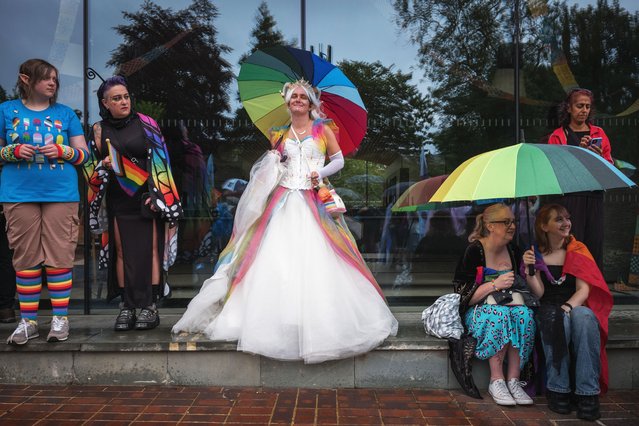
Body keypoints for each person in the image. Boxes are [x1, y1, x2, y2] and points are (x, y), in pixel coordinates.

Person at [173, 79, 398, 363]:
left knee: (319, 257)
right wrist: (273, 163)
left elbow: (339, 160)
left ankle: (317, 322)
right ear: (287, 102)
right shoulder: (278, 134)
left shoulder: (322, 129)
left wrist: (320, 171)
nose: (298, 101)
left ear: (311, 103)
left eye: (303, 97)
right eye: (294, 97)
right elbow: (275, 165)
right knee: (275, 258)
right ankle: (277, 321)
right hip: (282, 199)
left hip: (313, 198)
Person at [83, 76, 182, 331]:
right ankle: (127, 306)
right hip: (117, 199)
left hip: (146, 198)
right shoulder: (97, 129)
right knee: (122, 252)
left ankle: (149, 306)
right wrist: (102, 167)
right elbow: (89, 170)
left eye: (126, 96)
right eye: (117, 98)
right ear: (105, 103)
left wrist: (158, 196)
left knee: (150, 251)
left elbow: (161, 161)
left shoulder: (147, 124)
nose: (124, 101)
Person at [0, 58, 88, 345]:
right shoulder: (6, 110)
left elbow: (85, 155)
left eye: (55, 79)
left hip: (60, 194)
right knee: (25, 258)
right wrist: (13, 152)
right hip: (18, 193)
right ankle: (28, 323)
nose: (53, 83)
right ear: (25, 79)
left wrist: (63, 151)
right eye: (46, 78)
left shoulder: (66, 114)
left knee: (60, 256)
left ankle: (59, 319)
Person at [523, 203, 612, 421]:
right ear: (544, 226)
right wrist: (530, 272)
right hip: (548, 307)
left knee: (585, 318)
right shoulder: (535, 254)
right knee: (556, 320)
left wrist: (569, 307)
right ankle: (558, 389)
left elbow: (584, 290)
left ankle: (588, 394)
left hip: (575, 303)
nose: (566, 223)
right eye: (559, 219)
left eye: (567, 218)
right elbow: (540, 293)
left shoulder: (578, 249)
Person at [451, 203, 536, 405]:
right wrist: (494, 285)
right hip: (479, 311)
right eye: (506, 222)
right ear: (489, 225)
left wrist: (528, 268)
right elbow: (462, 297)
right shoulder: (474, 251)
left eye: (513, 221)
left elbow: (527, 288)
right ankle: (496, 380)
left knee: (524, 314)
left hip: (511, 306)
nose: (512, 226)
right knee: (500, 314)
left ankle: (513, 380)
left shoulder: (514, 250)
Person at [547, 88, 612, 268]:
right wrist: (579, 153)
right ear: (569, 108)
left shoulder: (599, 134)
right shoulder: (558, 136)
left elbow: (609, 169)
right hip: (569, 196)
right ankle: (571, 289)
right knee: (571, 242)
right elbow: (555, 169)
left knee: (594, 242)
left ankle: (592, 290)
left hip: (594, 194)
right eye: (579, 106)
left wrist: (597, 157)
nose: (584, 110)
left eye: (587, 106)